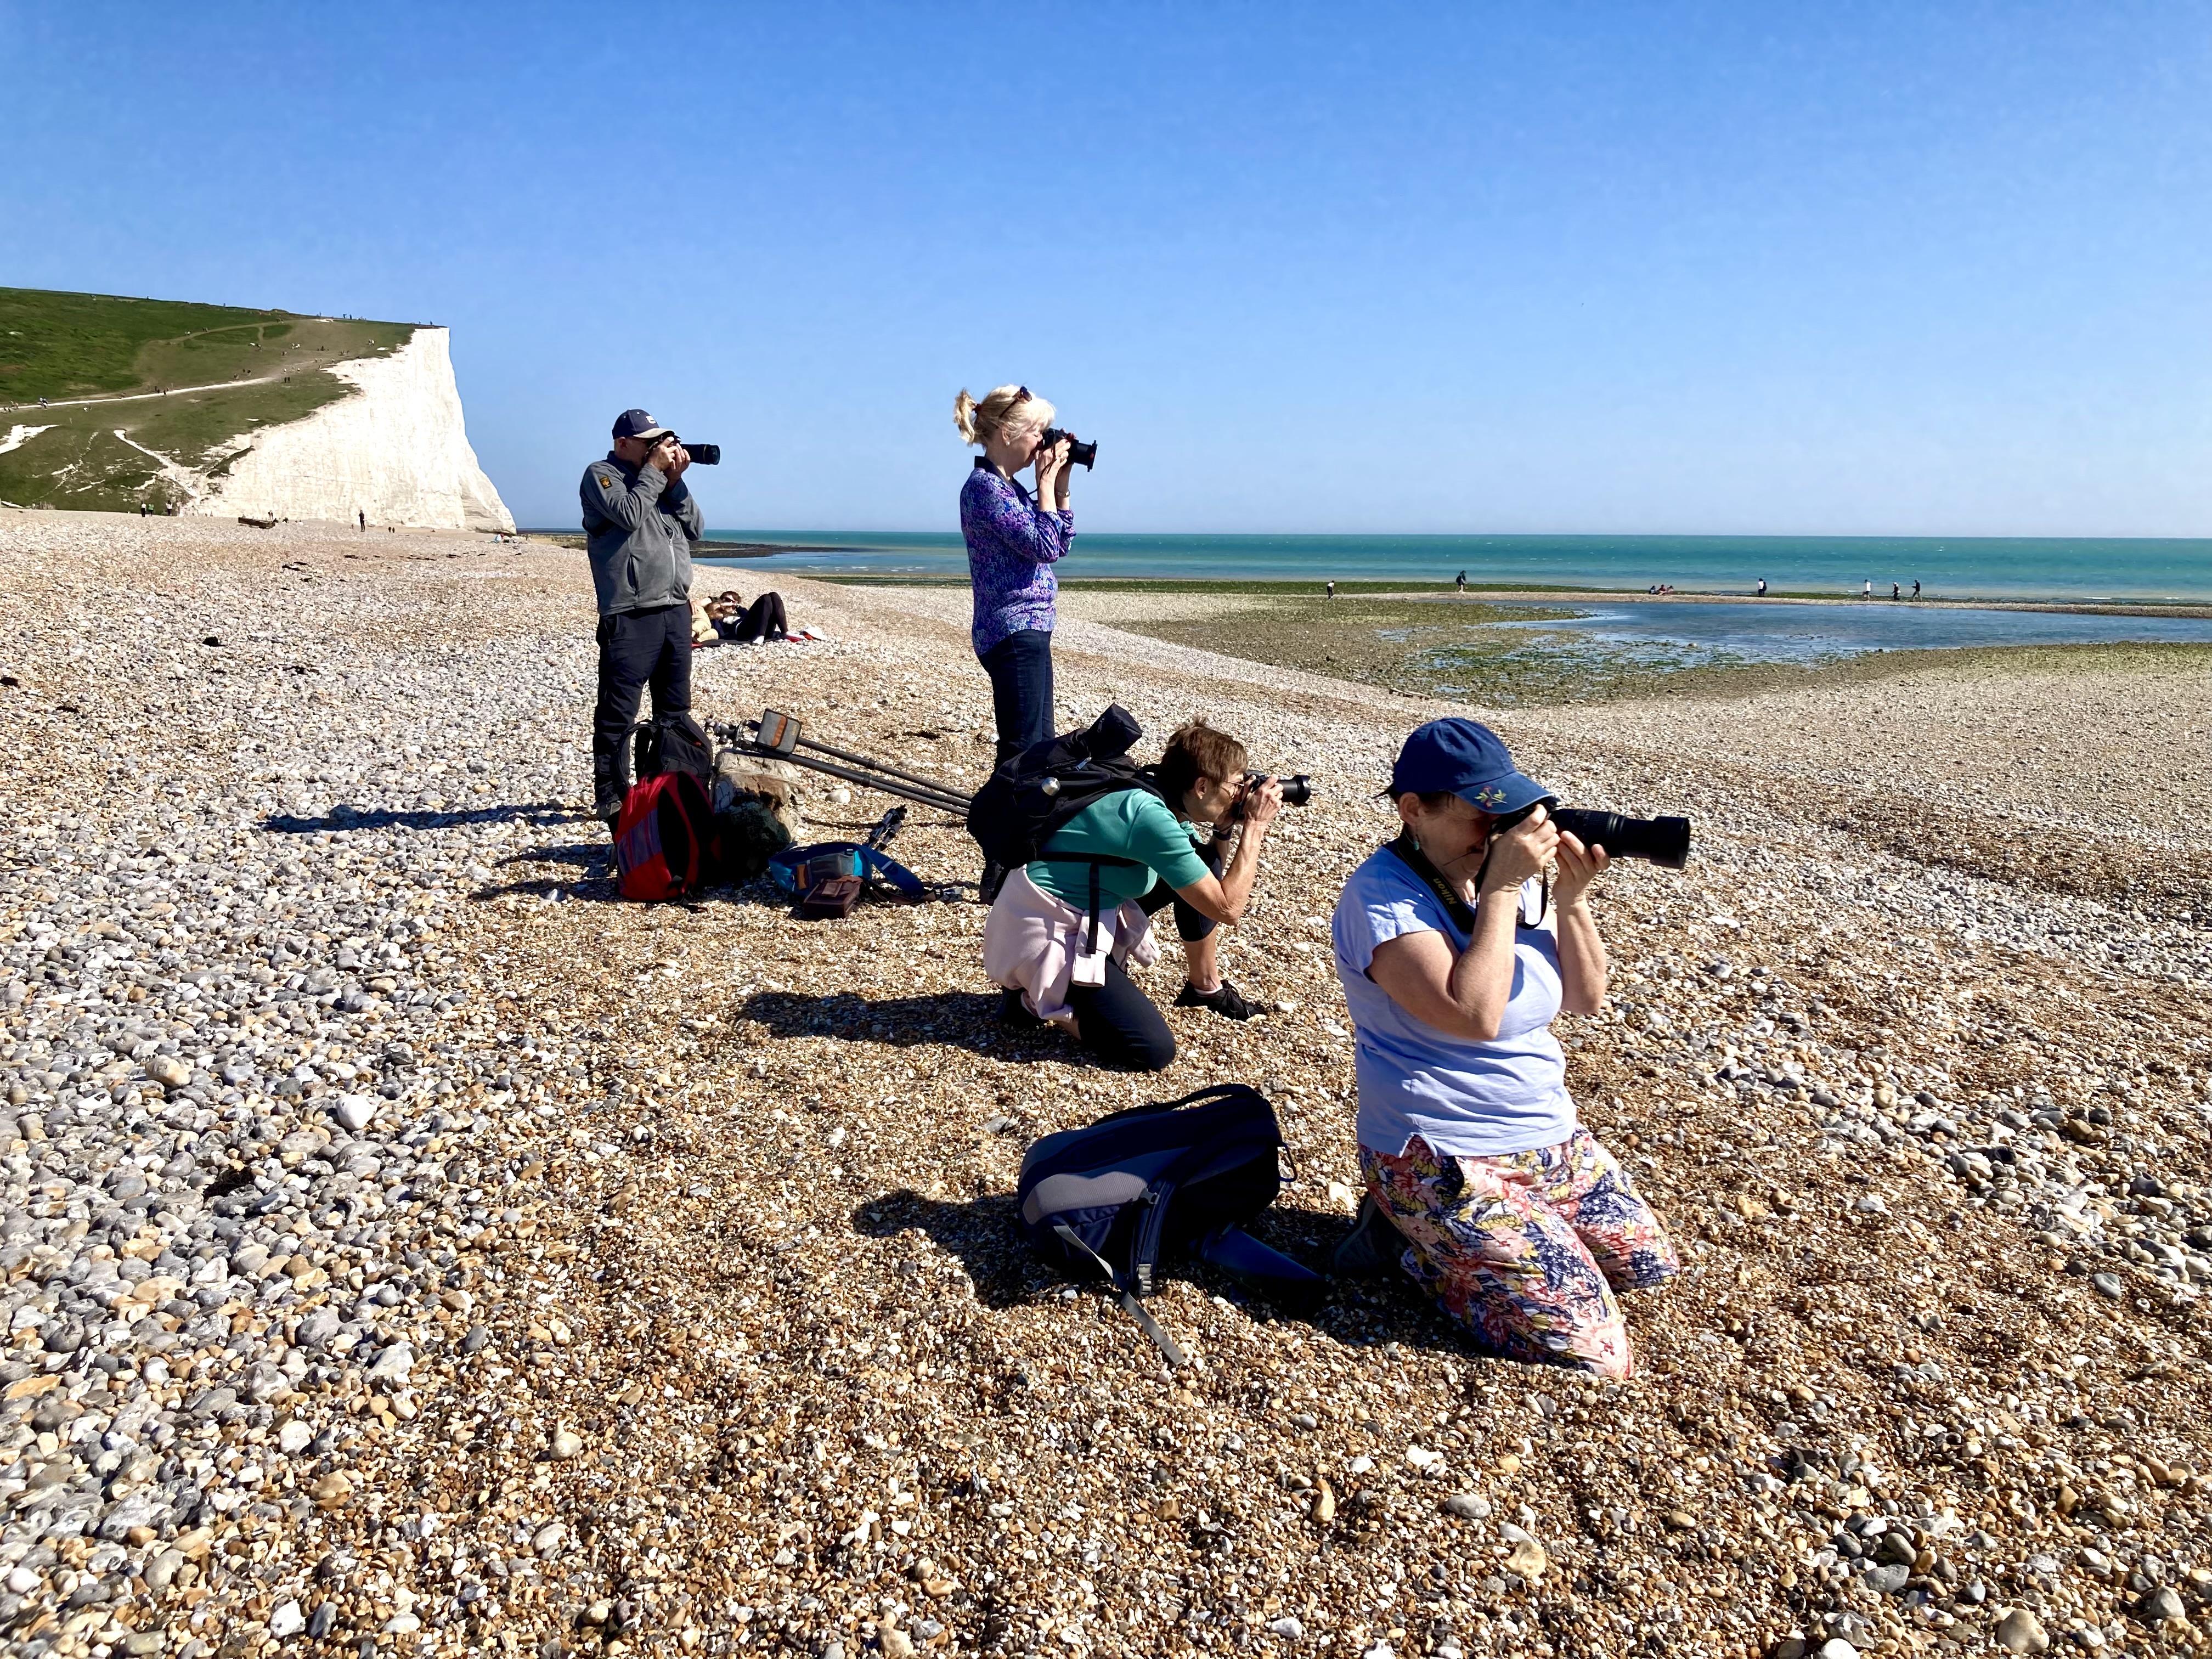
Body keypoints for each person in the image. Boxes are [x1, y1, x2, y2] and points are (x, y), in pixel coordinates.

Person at [1329, 718, 1677, 1377]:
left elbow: (1586, 997)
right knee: (1592, 1355)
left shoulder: (1500, 883)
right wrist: (1502, 891)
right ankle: (1409, 1240)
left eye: (1508, 814)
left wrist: (1571, 900)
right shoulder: (1382, 899)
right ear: (1413, 811)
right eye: (1480, 818)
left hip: (1550, 1139)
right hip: (1440, 1150)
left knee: (1646, 1267)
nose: (1499, 835)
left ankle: (1484, 1234)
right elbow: (1472, 1014)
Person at [984, 719, 1282, 1070]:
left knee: (1198, 867)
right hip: (1044, 933)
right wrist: (1256, 827)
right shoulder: (1148, 818)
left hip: (1066, 907)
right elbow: (1227, 907)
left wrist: (1224, 828)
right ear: (1202, 786)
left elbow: (1205, 876)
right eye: (1236, 785)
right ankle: (1032, 1002)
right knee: (1149, 1049)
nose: (1241, 794)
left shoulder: (1154, 793)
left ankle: (1204, 986)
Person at [582, 408, 706, 825]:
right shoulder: (602, 476)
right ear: (623, 444)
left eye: (661, 443)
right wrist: (655, 472)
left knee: (674, 709)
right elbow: (629, 515)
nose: (657, 449)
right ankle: (611, 795)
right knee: (619, 711)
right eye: (649, 442)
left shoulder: (659, 484)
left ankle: (662, 786)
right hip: (630, 613)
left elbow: (696, 530)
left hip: (674, 609)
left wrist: (675, 483)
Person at [956, 385, 1073, 764]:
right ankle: (1004, 821)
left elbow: (1060, 543)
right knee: (1021, 750)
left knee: (1041, 746)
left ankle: (1030, 821)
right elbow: (1046, 548)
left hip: (1030, 628)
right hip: (1011, 631)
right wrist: (1045, 486)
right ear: (1008, 433)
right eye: (1037, 433)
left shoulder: (1011, 490)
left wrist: (1061, 489)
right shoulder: (985, 490)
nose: (1042, 444)